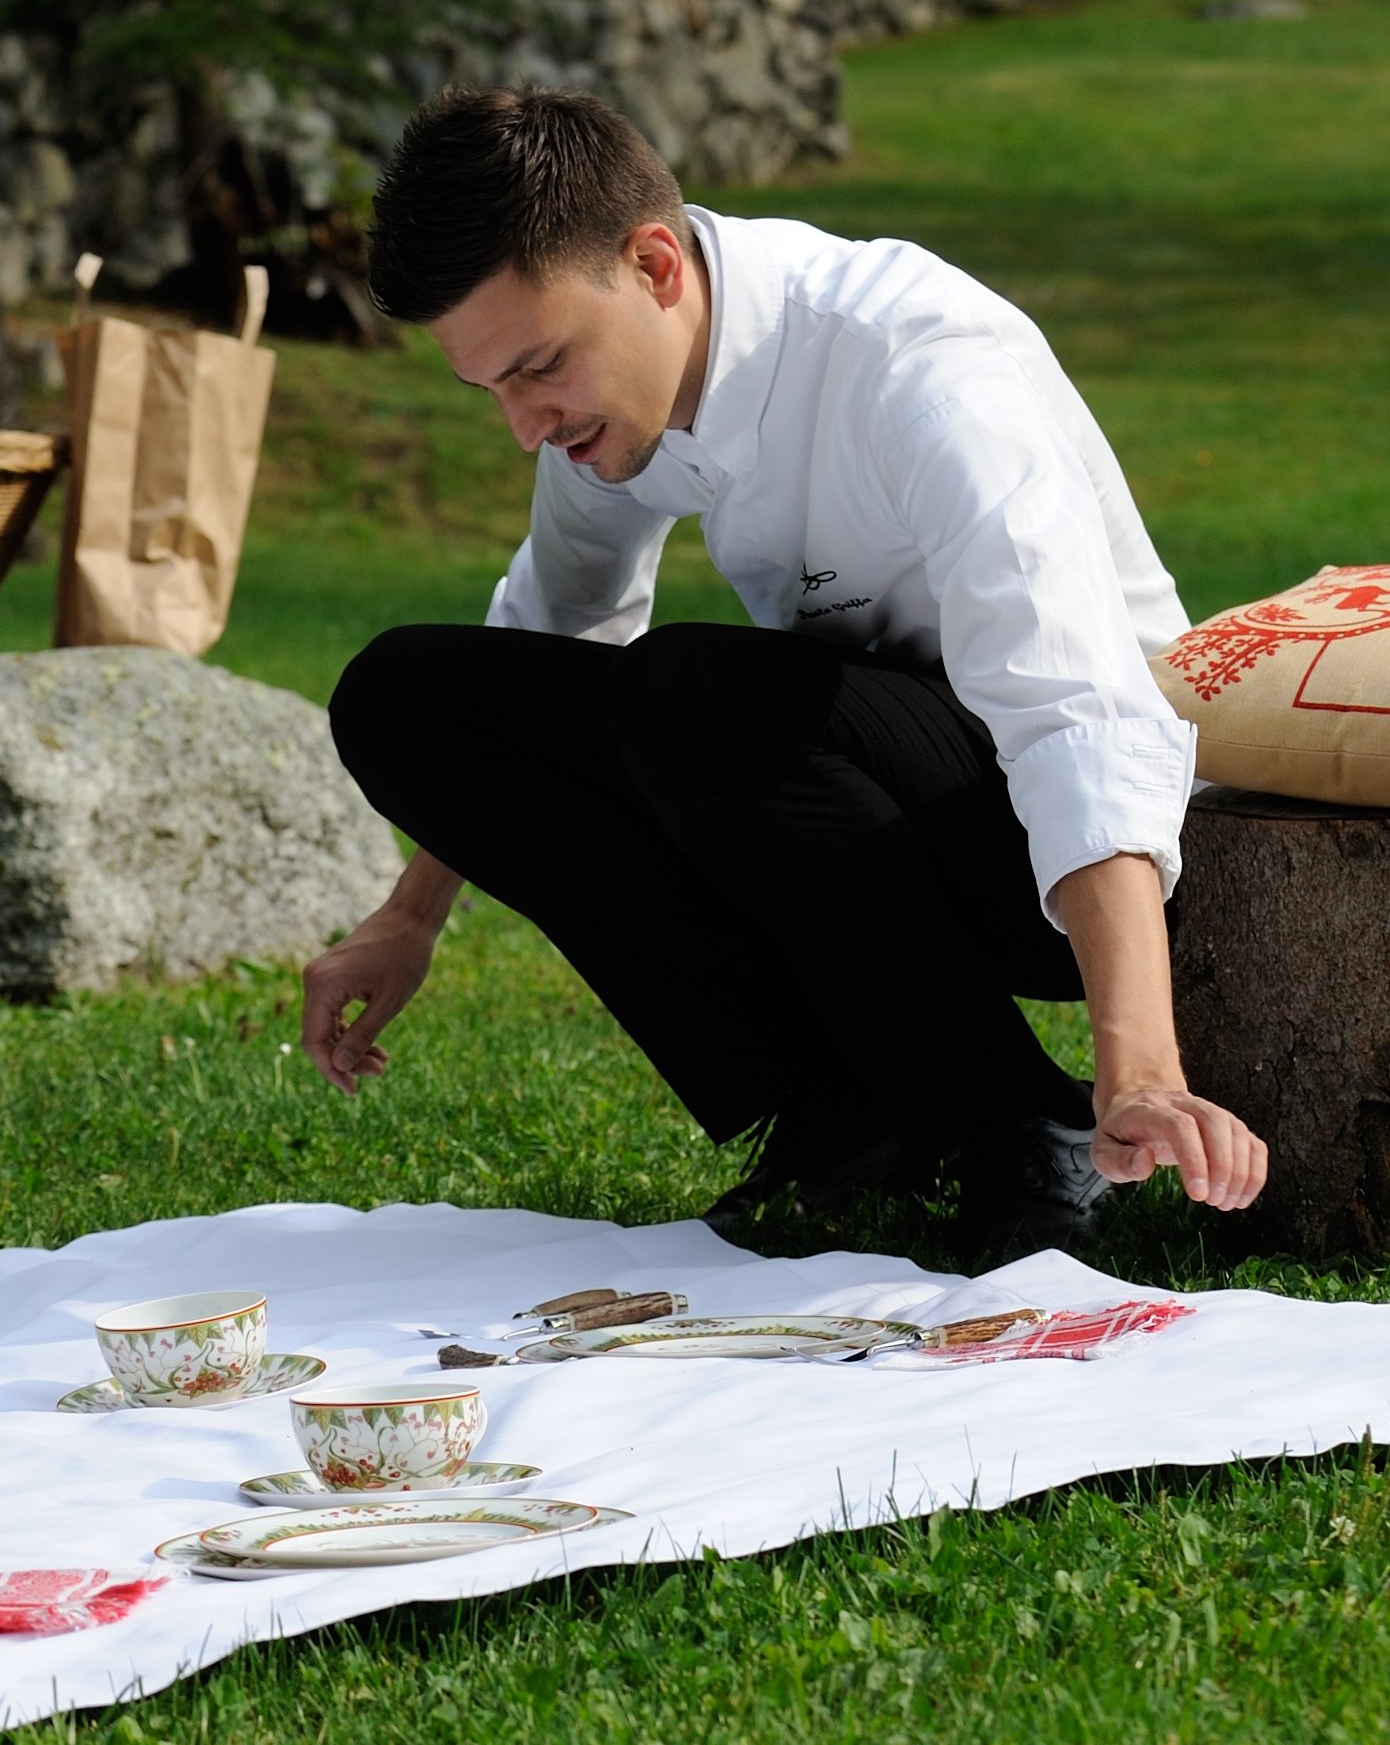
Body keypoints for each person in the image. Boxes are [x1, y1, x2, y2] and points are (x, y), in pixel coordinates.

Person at [302, 87, 1269, 1256]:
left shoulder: (920, 369)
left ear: (654, 264)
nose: (522, 426)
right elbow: (550, 640)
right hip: (857, 797)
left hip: (1095, 856)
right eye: (492, 388)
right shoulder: (611, 402)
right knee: (411, 701)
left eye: (539, 368)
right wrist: (411, 916)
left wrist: (1142, 1068)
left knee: (693, 698)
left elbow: (1075, 714)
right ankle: (848, 1112)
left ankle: (1023, 1120)